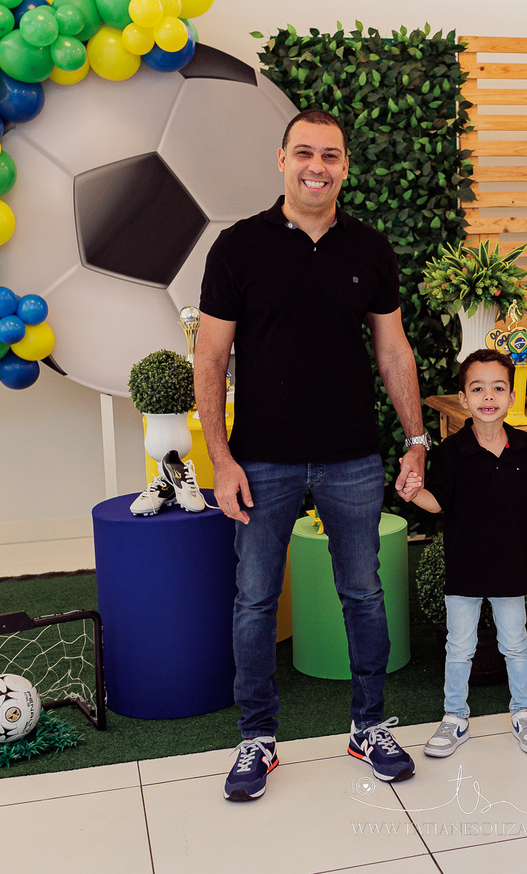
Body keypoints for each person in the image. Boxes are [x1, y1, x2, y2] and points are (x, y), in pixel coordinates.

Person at [194, 109, 429, 802]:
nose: (316, 166)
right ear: (281, 160)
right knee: (255, 600)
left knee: (363, 593)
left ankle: (369, 725)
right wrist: (221, 460)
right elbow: (210, 358)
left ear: (345, 166)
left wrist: (416, 439)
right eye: (304, 153)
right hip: (260, 459)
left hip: (351, 456)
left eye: (330, 155)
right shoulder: (237, 247)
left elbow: (393, 350)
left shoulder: (370, 249)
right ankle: (257, 738)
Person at [400, 349, 527, 757]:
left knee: (516, 645)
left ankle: (524, 712)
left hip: (510, 569)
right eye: (478, 388)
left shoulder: (523, 445)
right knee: (459, 648)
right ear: (463, 398)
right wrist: (414, 493)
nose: (488, 396)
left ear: (511, 397)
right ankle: (454, 717)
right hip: (464, 570)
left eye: (498, 388)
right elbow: (436, 503)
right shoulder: (451, 451)